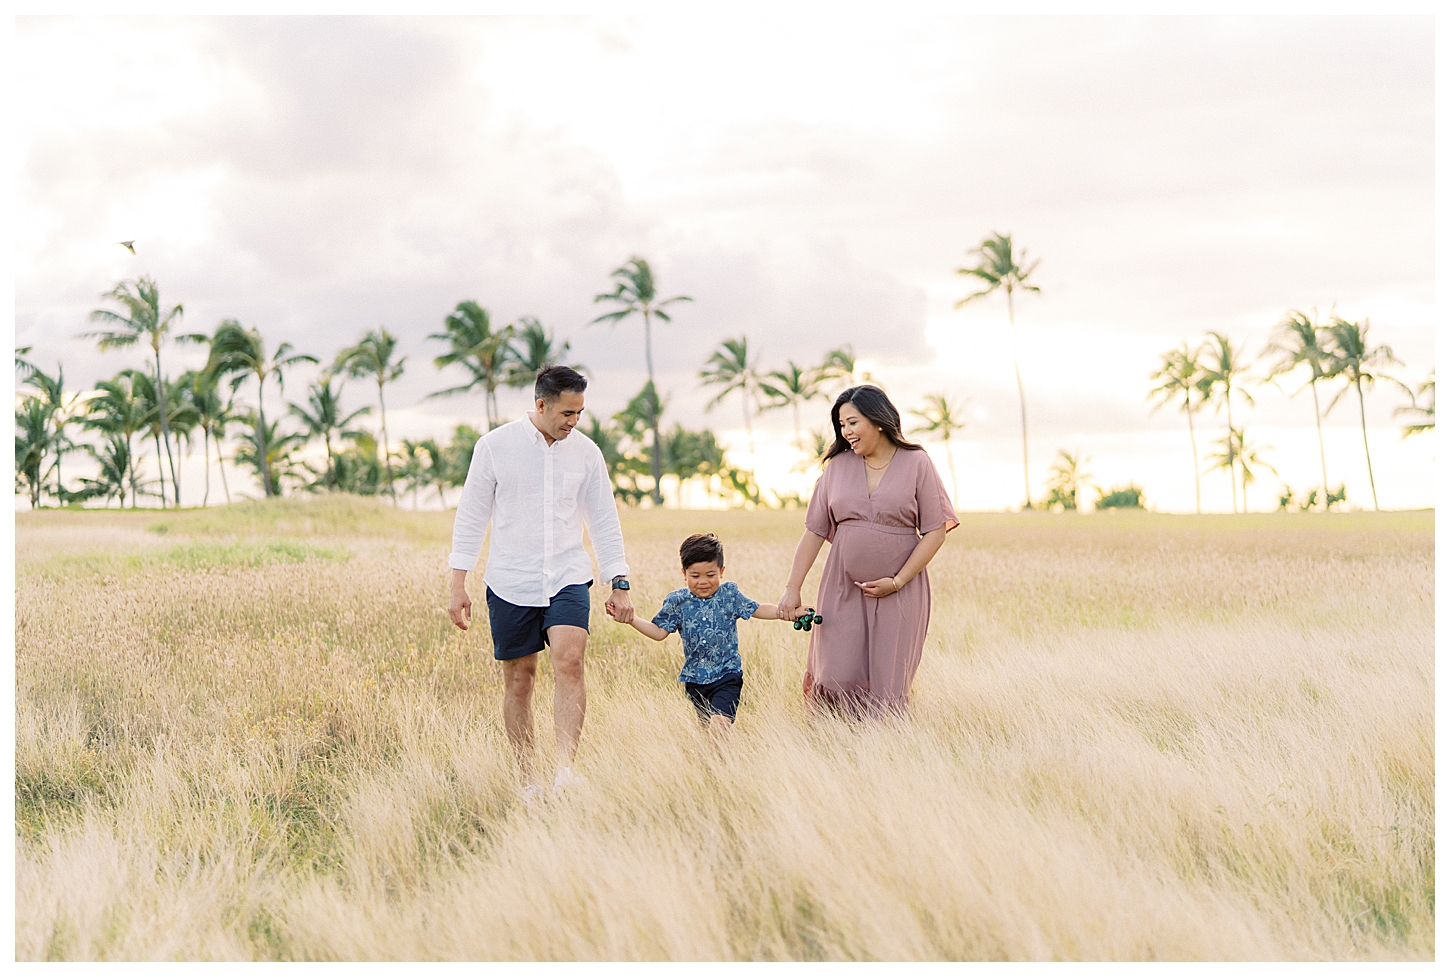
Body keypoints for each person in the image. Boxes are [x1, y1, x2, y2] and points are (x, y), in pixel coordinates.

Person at [447, 365, 634, 802]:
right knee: (521, 680)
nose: (574, 422)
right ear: (541, 404)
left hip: (568, 575)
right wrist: (458, 584)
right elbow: (472, 516)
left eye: (580, 413)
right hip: (511, 579)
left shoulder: (587, 453)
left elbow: (604, 519)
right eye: (567, 413)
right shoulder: (494, 447)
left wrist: (618, 580)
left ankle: (566, 772)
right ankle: (528, 780)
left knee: (570, 662)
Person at [777, 385, 958, 718]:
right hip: (841, 589)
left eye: (852, 423)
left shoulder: (917, 462)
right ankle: (829, 746)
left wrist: (898, 580)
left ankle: (881, 755)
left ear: (877, 420)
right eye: (841, 425)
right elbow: (814, 532)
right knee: (834, 674)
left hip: (900, 592)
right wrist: (792, 588)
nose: (846, 432)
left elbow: (935, 531)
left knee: (888, 683)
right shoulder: (836, 468)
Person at [625, 533, 788, 734]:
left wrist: (785, 612)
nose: (703, 582)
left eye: (710, 575)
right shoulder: (678, 601)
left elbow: (757, 609)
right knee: (708, 732)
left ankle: (720, 762)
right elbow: (659, 632)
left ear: (721, 571)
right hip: (695, 681)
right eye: (695, 576)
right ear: (684, 573)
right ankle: (714, 765)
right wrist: (631, 619)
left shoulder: (729, 595)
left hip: (727, 676)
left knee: (718, 727)